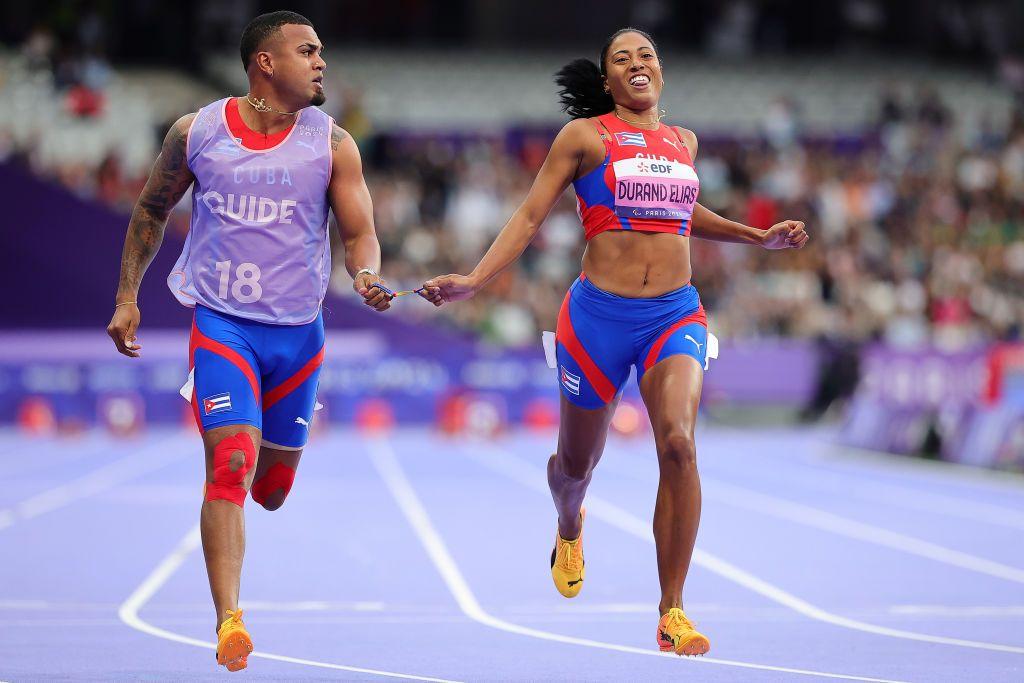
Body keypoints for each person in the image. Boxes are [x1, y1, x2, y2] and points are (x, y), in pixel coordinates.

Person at [422, 27, 808, 656]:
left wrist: (758, 237)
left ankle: (672, 610)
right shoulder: (583, 138)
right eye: (622, 59)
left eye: (647, 55)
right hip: (596, 322)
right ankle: (570, 524)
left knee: (680, 445)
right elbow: (527, 217)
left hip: (674, 316)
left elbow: (688, 215)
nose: (637, 64)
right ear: (606, 81)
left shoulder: (683, 142)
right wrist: (473, 281)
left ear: (662, 73)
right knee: (575, 468)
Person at [105, 11, 392, 671]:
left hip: (299, 339)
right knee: (231, 463)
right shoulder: (197, 132)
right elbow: (150, 209)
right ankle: (229, 620)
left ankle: (270, 473)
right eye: (308, 50)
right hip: (224, 326)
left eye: (322, 51)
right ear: (266, 62)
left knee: (271, 488)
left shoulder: (334, 143)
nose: (322, 62)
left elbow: (359, 233)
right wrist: (127, 297)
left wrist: (367, 272)